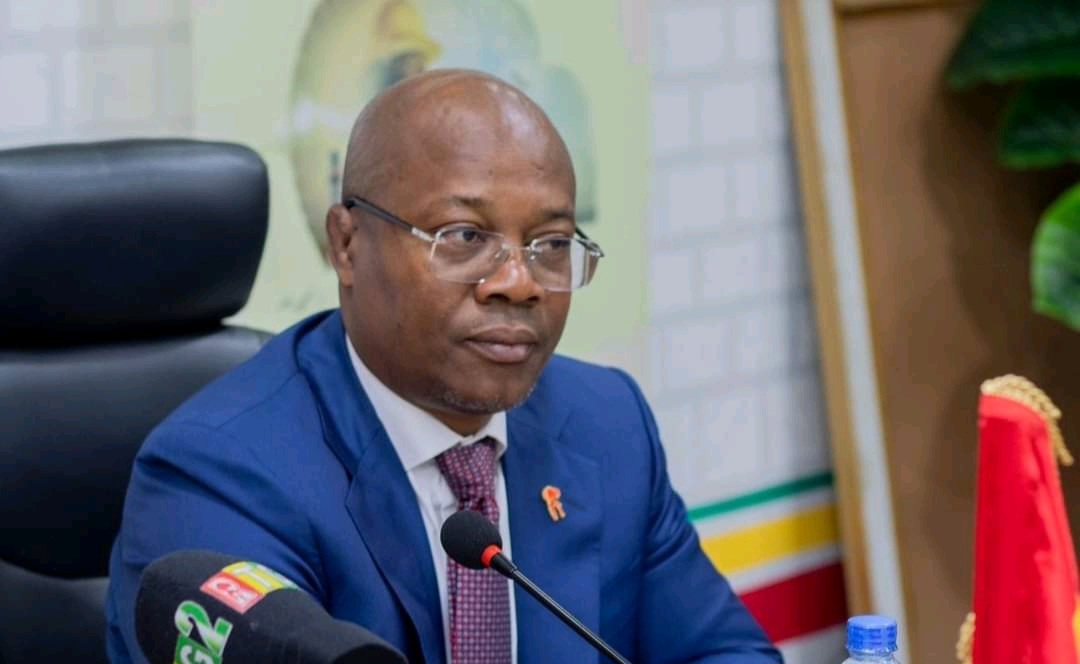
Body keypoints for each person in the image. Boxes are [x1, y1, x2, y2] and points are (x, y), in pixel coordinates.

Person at [105, 69, 782, 664]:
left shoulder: (607, 424)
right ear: (347, 244)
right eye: (464, 236)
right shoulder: (221, 475)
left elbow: (724, 650)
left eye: (550, 244)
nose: (519, 282)